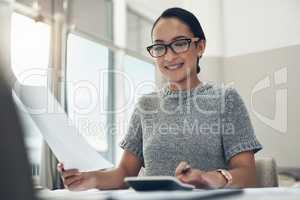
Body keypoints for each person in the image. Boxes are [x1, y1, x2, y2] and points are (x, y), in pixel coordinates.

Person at [58, 7, 262, 190]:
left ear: (200, 47)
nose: (169, 57)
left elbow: (248, 175)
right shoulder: (146, 105)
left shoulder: (226, 99)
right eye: (159, 47)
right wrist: (90, 179)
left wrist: (211, 178)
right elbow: (123, 174)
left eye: (179, 44)